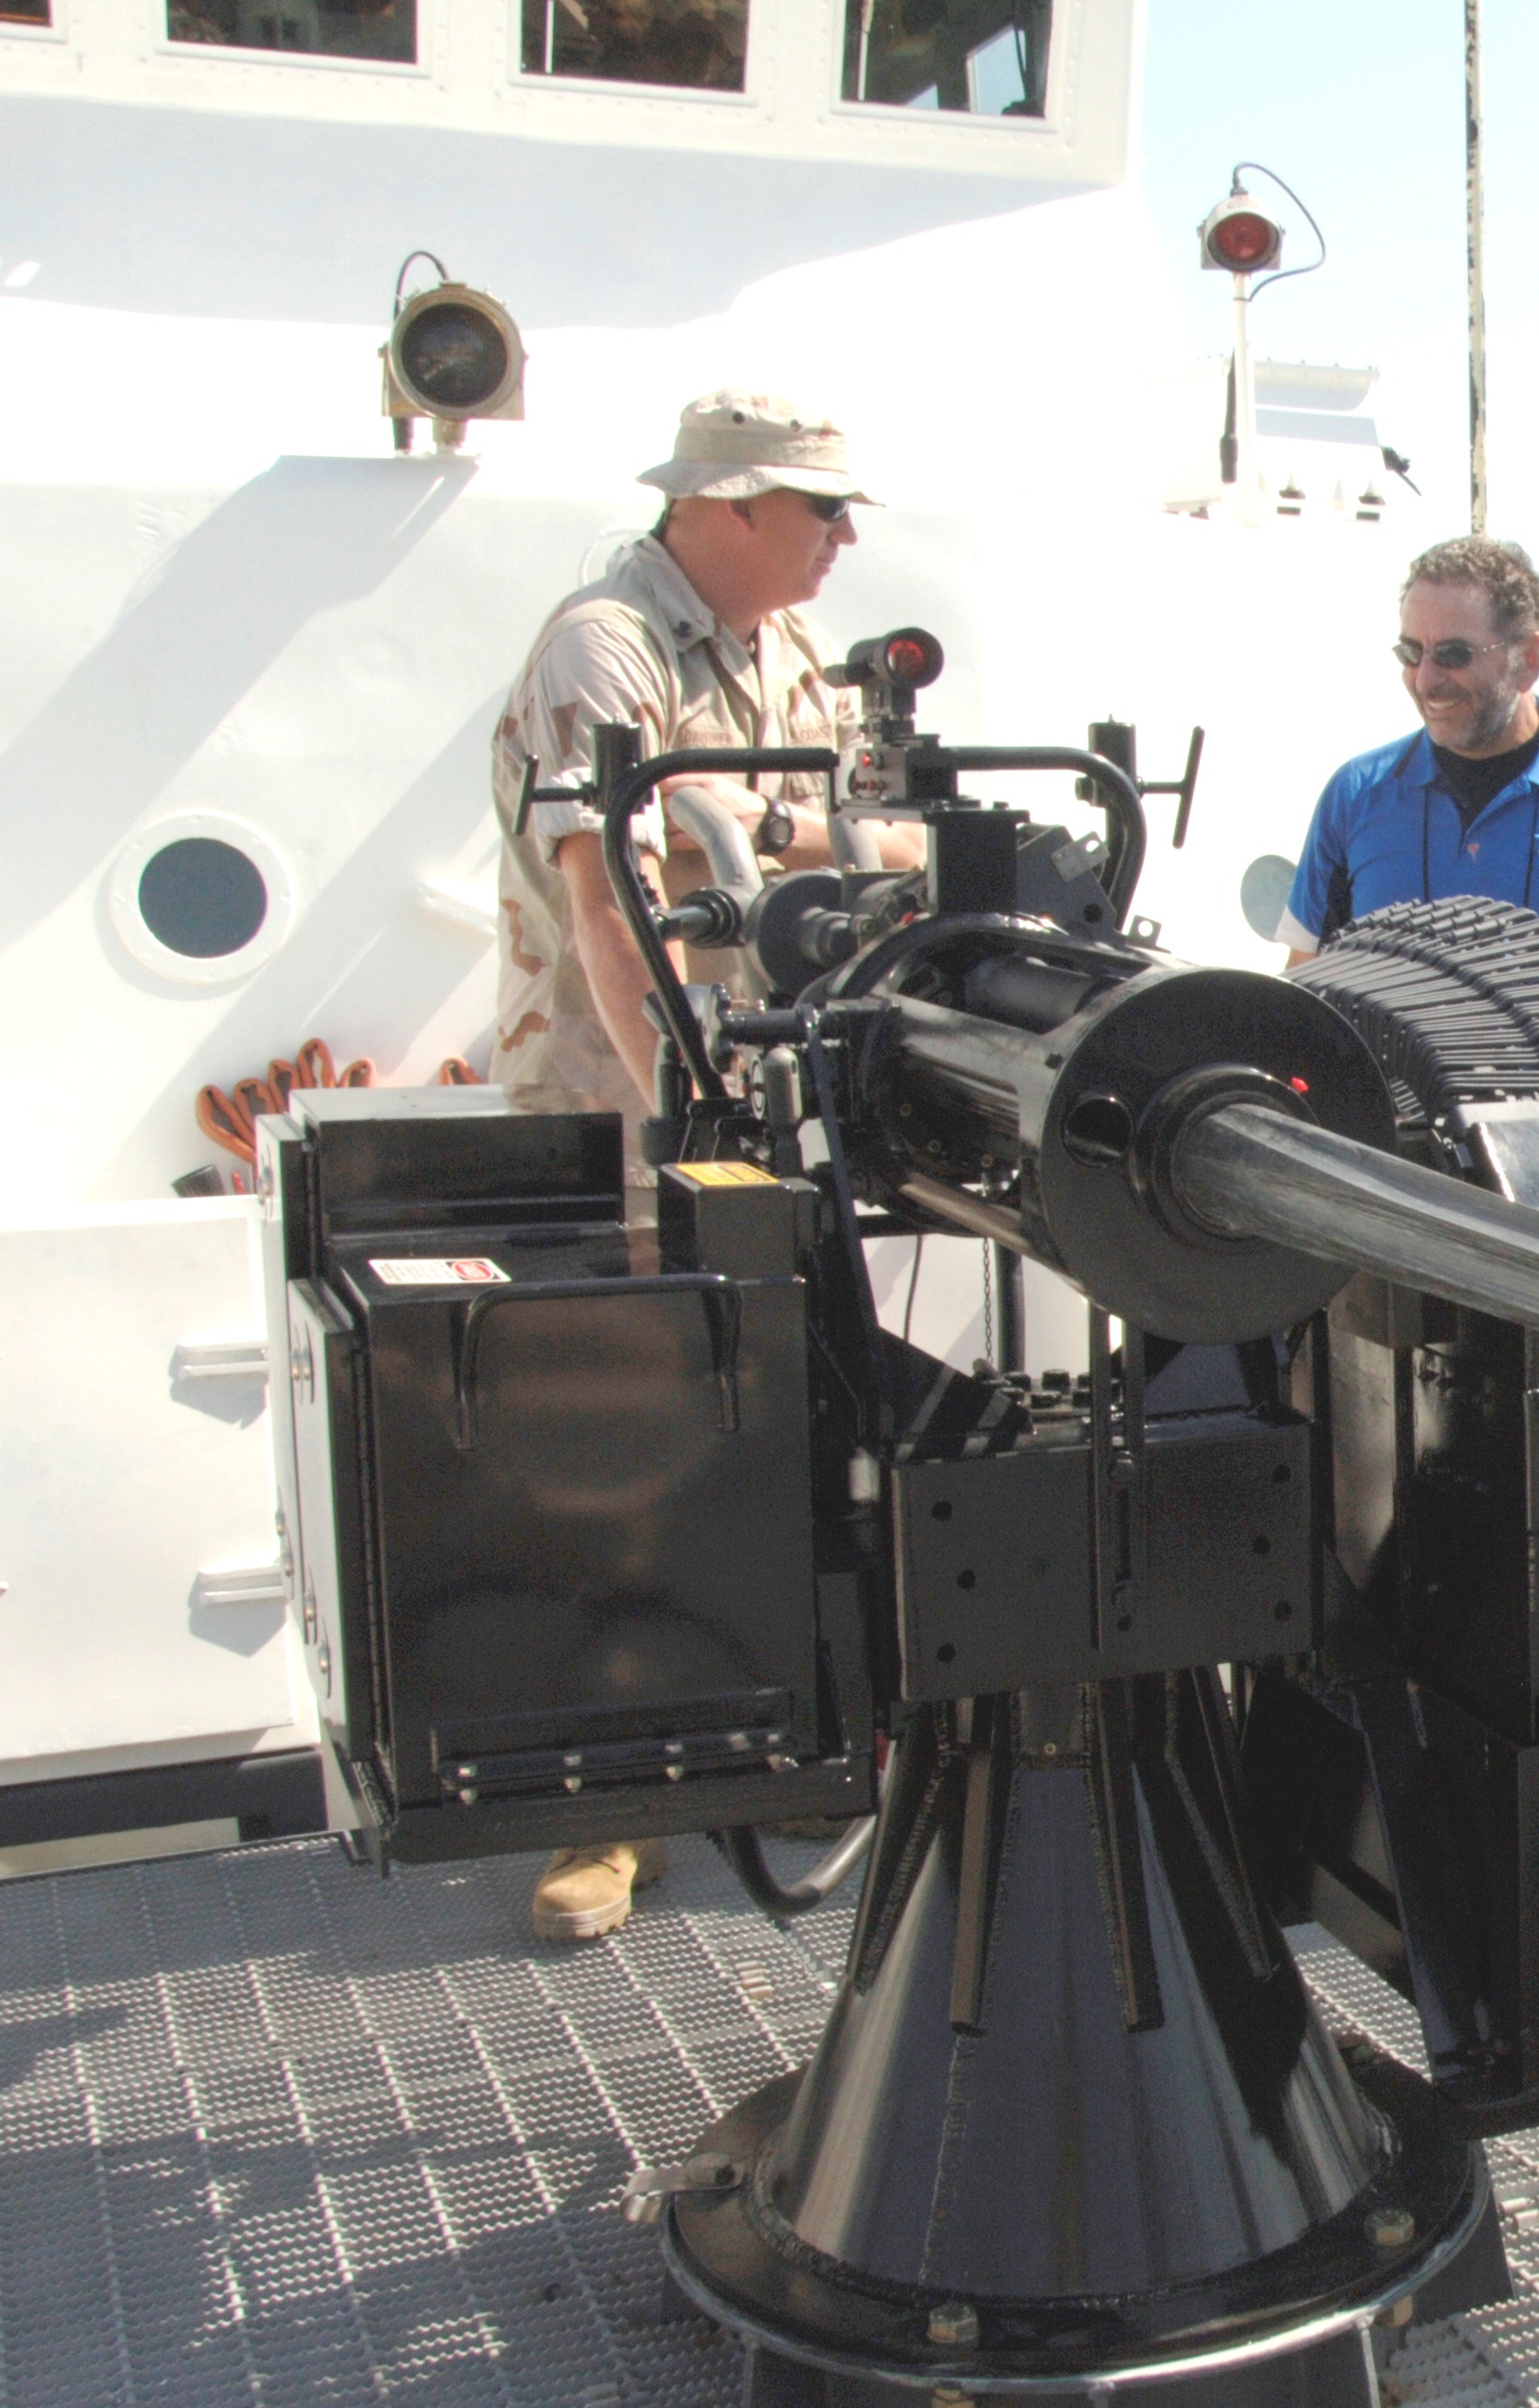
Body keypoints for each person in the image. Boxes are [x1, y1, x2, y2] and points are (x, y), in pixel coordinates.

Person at [487, 388, 884, 1944]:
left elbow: (838, 844)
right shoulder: (607, 646)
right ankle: (607, 1814)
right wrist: (681, 1116)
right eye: (818, 506)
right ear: (723, 509)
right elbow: (611, 907)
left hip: (764, 1112)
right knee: (611, 1462)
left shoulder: (783, 656)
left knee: (769, 1441)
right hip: (631, 1121)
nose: (845, 536)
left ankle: (762, 1751)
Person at [1282, 536, 1539, 1035]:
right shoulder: (1353, 796)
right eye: (1411, 652)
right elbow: (1303, 989)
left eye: (1453, 654)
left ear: (1529, 659)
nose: (1424, 680)